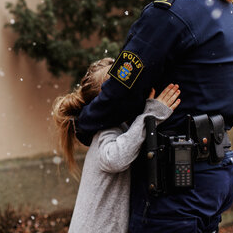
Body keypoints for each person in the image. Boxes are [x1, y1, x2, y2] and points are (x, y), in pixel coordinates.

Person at [74, 0, 233, 233]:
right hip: (215, 175)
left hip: (175, 185)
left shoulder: (169, 14)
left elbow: (121, 90)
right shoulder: (225, 9)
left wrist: (84, 124)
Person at [53, 57, 181, 233]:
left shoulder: (115, 126)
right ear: (109, 101)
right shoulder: (106, 129)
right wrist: (151, 115)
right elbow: (115, 159)